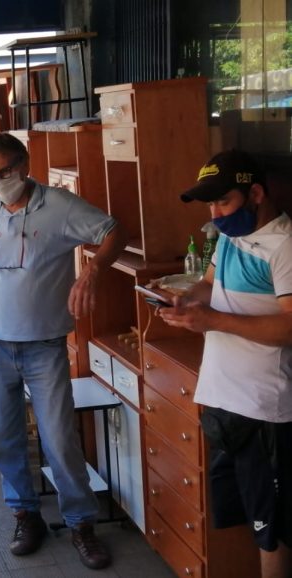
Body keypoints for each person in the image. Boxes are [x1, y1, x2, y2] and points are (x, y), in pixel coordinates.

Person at [0, 132, 127, 570]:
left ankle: (81, 523)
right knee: (4, 437)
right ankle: (25, 515)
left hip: (44, 344)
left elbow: (113, 232)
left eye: (4, 172)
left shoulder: (59, 206)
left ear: (25, 166)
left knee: (59, 438)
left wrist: (91, 273)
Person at [160, 149, 292, 578]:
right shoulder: (230, 238)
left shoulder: (285, 245)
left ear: (255, 194)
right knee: (240, 519)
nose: (216, 214)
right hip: (224, 402)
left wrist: (213, 320)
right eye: (210, 205)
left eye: (224, 202)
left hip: (264, 410)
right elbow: (207, 284)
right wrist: (184, 302)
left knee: (272, 530)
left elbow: (290, 327)